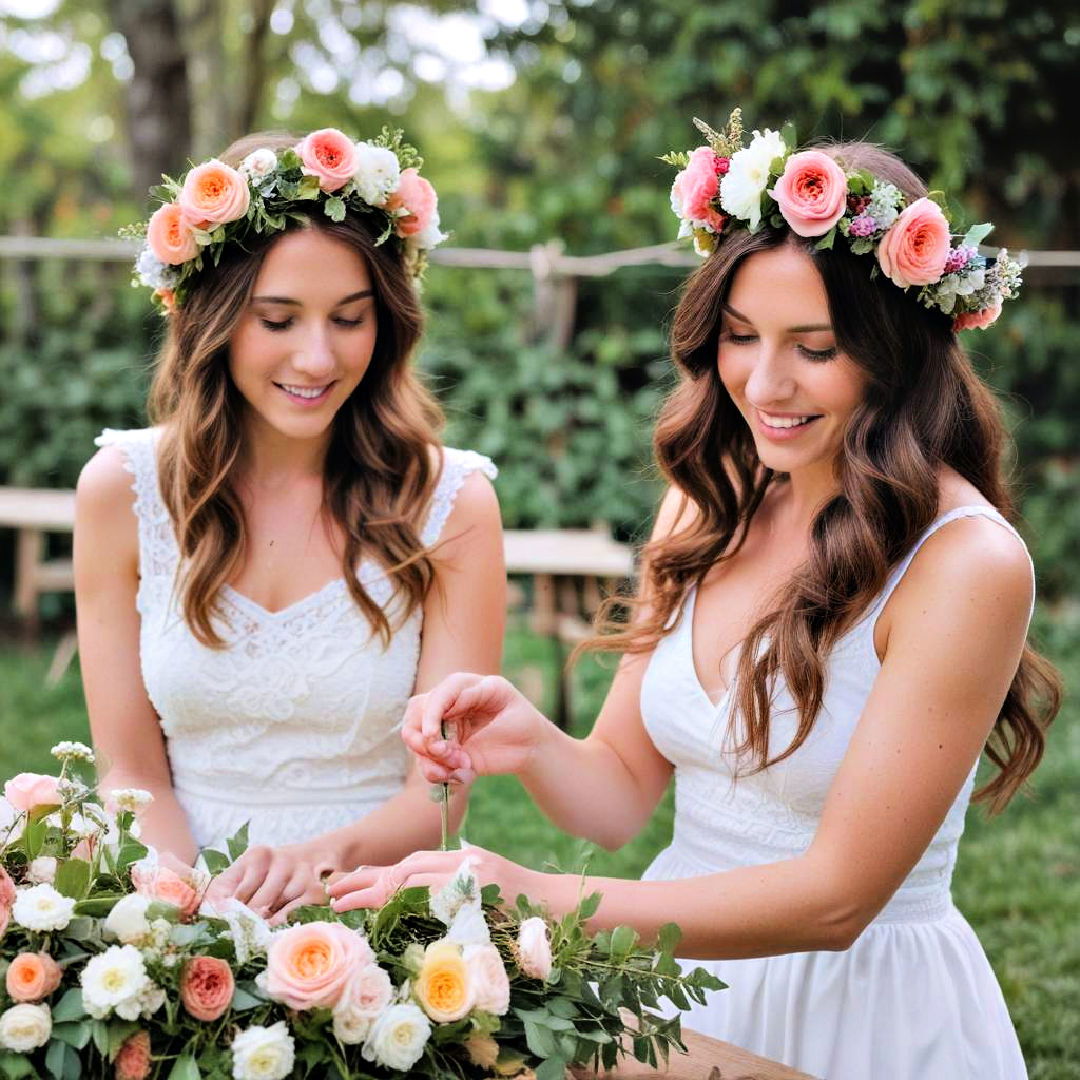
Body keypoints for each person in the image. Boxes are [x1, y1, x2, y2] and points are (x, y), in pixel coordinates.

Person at [327, 114, 1060, 1079]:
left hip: (860, 1010)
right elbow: (622, 796)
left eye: (816, 346)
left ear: (896, 350)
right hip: (672, 989)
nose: (766, 381)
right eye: (741, 336)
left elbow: (838, 900)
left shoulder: (965, 564)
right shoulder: (707, 501)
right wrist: (529, 741)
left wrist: (532, 896)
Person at [74, 127, 505, 918]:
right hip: (177, 903)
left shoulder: (453, 505)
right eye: (277, 320)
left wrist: (317, 868)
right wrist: (191, 910)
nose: (317, 359)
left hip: (373, 909)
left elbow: (439, 797)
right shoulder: (122, 492)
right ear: (212, 318)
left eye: (349, 317)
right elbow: (130, 774)